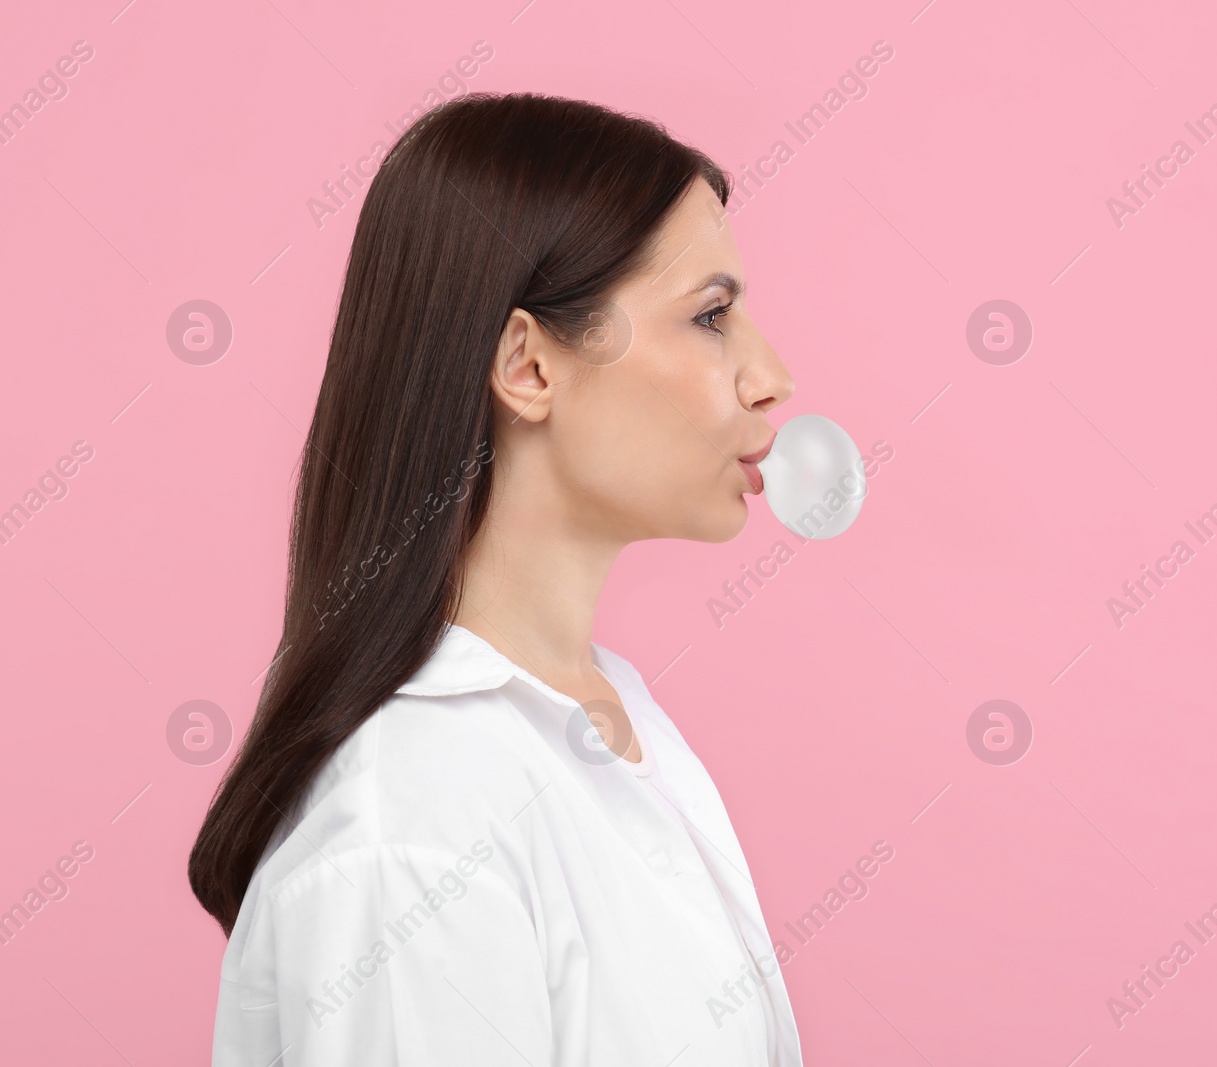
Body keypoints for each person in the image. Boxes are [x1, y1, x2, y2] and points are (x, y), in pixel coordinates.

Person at [187, 91, 802, 1066]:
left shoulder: (612, 725)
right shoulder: (410, 832)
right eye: (712, 315)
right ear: (528, 364)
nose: (770, 376)